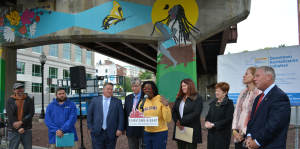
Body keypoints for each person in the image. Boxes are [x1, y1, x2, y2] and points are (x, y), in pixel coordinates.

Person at [246, 66, 291, 149]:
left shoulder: (279, 97)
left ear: (269, 77)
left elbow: (275, 125)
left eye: (258, 76)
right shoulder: (259, 97)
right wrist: (249, 136)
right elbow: (252, 120)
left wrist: (257, 141)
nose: (254, 79)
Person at [231, 67, 262, 149]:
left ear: (254, 76)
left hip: (251, 136)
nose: (243, 76)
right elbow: (236, 112)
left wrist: (243, 133)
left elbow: (256, 117)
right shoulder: (243, 92)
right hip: (238, 135)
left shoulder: (259, 93)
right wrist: (234, 131)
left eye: (246, 74)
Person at [87, 82, 124, 149]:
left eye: (111, 89)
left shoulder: (117, 102)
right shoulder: (95, 100)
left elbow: (121, 116)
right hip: (97, 132)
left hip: (112, 132)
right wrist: (90, 126)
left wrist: (120, 129)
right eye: (108, 89)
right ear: (103, 89)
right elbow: (90, 114)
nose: (110, 91)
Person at [138, 81, 171, 149]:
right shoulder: (142, 102)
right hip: (147, 132)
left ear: (154, 89)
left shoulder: (161, 100)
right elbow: (140, 118)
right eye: (144, 89)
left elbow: (168, 119)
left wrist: (166, 106)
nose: (147, 91)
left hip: (160, 132)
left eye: (149, 88)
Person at [172, 78, 203, 149]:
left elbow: (196, 113)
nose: (182, 88)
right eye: (182, 86)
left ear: (190, 86)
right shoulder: (179, 98)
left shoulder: (198, 98)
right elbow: (174, 111)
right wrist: (177, 122)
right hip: (180, 128)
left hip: (192, 129)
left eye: (184, 86)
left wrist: (181, 122)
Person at [205, 82, 234, 149]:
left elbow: (227, 119)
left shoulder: (229, 103)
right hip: (211, 134)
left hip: (222, 136)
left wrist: (213, 125)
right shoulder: (213, 103)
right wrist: (207, 122)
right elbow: (208, 116)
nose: (216, 92)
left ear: (225, 92)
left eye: (219, 91)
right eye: (216, 90)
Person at [6, 83, 34, 149]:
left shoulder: (29, 100)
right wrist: (18, 128)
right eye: (18, 88)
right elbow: (10, 116)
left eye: (21, 88)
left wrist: (21, 123)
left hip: (26, 128)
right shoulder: (9, 101)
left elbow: (31, 114)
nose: (20, 89)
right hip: (13, 129)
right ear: (14, 90)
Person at [123, 78, 143, 149]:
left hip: (142, 130)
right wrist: (123, 128)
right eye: (133, 86)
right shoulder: (128, 98)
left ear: (140, 86)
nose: (134, 88)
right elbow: (125, 113)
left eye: (136, 86)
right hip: (131, 131)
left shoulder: (146, 97)